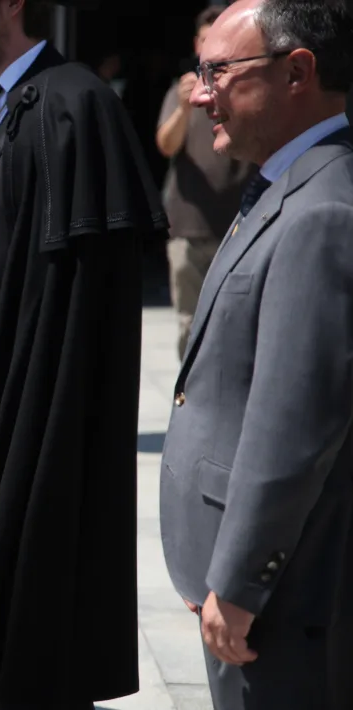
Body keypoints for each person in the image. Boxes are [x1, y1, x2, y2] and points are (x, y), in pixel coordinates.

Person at [0, 0, 168, 708]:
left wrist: (33, 404)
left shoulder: (77, 103)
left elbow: (83, 300)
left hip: (36, 405)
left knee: (33, 633)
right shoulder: (0, 103)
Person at [159, 1, 353, 708]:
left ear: (297, 71)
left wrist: (240, 585)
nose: (201, 91)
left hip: (280, 599)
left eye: (219, 71)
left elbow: (294, 424)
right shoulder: (283, 183)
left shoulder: (324, 211)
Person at [156, 6, 253, 360]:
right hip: (189, 229)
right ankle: (191, 396)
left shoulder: (245, 89)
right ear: (197, 44)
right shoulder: (183, 90)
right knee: (190, 323)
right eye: (206, 39)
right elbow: (165, 145)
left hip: (239, 225)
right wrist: (183, 108)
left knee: (237, 321)